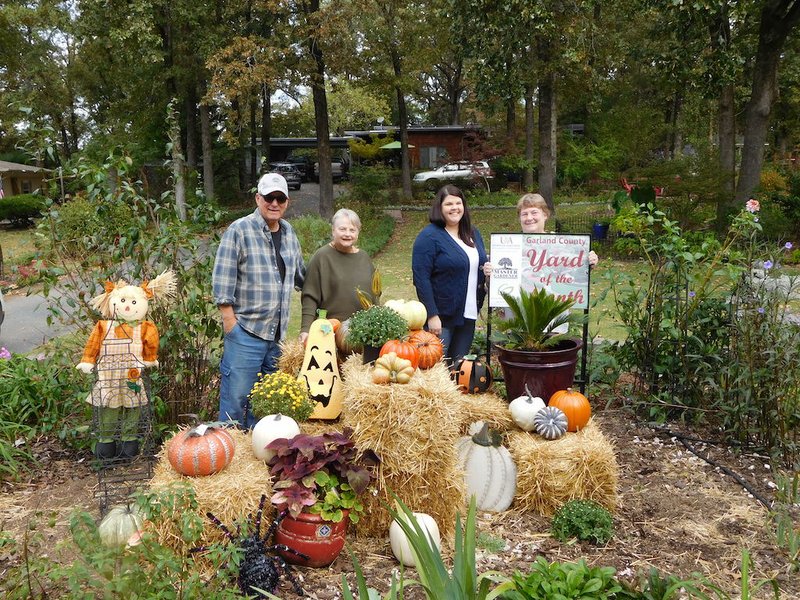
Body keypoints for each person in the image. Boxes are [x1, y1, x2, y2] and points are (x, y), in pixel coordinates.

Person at [212, 172, 305, 428]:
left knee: (265, 403)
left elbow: (301, 277)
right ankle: (231, 456)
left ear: (287, 202)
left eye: (280, 198)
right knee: (236, 400)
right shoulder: (239, 230)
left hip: (277, 338)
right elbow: (222, 279)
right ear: (257, 198)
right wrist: (230, 322)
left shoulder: (288, 233)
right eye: (268, 197)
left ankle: (258, 454)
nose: (274, 203)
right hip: (246, 333)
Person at [412, 184, 488, 365]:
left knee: (458, 367)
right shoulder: (429, 236)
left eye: (458, 203)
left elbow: (479, 263)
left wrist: (488, 271)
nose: (454, 208)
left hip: (468, 312)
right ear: (440, 208)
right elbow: (421, 278)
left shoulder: (472, 233)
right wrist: (432, 315)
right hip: (442, 316)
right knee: (435, 367)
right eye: (448, 204)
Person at [300, 208, 376, 344]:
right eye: (342, 229)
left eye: (352, 230)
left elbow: (375, 295)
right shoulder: (321, 257)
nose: (347, 234)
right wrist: (305, 329)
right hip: (329, 332)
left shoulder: (364, 258)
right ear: (333, 230)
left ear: (358, 232)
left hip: (363, 333)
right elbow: (309, 296)